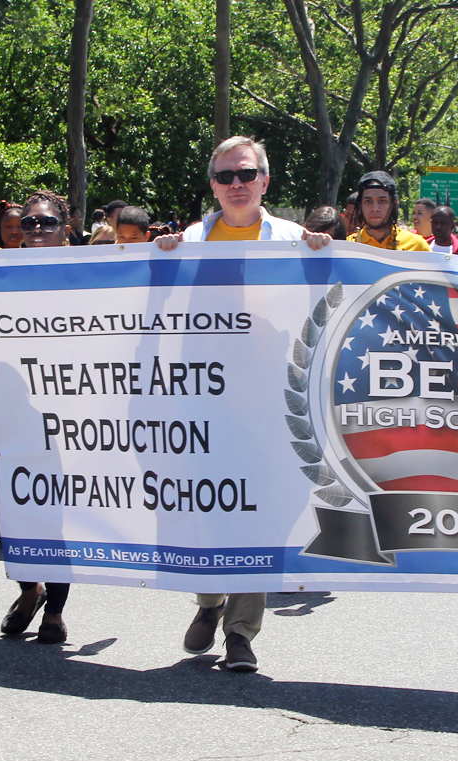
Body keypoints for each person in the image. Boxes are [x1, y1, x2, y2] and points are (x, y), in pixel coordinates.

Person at [154, 135, 333, 672]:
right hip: (202, 404)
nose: (236, 184)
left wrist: (326, 257)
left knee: (261, 513)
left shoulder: (297, 241)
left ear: (265, 182)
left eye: (246, 174)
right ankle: (209, 601)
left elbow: (326, 302)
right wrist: (156, 259)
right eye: (226, 176)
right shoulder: (186, 240)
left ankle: (241, 631)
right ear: (212, 185)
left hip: (270, 406)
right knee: (207, 506)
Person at [0, 189, 80, 644]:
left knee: (58, 510)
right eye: (29, 224)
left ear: (65, 228)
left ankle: (56, 610)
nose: (37, 231)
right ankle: (30, 589)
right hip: (8, 404)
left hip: (67, 411)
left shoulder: (86, 271)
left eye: (47, 223)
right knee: (11, 510)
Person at [347, 171, 431, 252]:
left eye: (382, 201)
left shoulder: (417, 246)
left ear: (395, 204)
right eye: (368, 201)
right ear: (360, 205)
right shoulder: (348, 246)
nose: (375, 208)